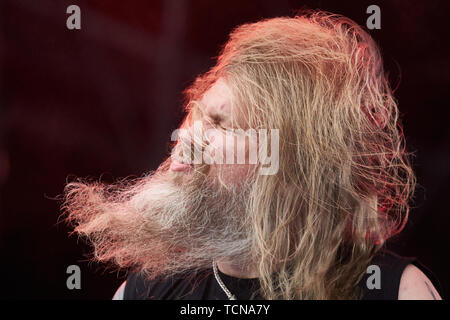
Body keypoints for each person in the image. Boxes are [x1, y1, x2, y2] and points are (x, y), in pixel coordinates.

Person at [62, 11, 442, 300]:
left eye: (219, 123)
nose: (188, 135)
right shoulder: (145, 291)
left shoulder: (393, 291)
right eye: (198, 113)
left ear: (289, 161)